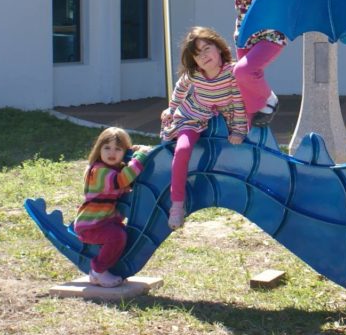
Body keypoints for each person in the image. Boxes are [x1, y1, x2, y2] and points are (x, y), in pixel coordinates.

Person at [162, 27, 247, 230]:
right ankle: (177, 205)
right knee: (182, 150)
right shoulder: (194, 74)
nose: (204, 56)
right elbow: (180, 88)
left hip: (222, 117)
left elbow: (238, 102)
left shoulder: (231, 72)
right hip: (193, 116)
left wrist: (238, 130)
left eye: (207, 48)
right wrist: (171, 108)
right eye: (198, 54)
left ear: (219, 48)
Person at [73, 127, 152, 288]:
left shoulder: (111, 169)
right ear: (99, 149)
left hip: (103, 221)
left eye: (118, 149)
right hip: (90, 225)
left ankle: (108, 267)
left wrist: (133, 152)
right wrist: (140, 157)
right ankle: (98, 271)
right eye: (107, 148)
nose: (112, 153)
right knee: (116, 237)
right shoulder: (99, 171)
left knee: (122, 235)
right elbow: (123, 180)